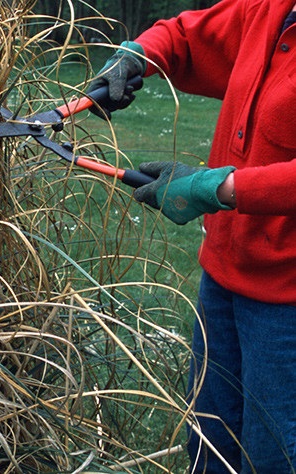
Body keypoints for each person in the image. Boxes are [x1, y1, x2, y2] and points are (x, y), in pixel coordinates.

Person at [88, 1, 296, 472]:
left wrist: (216, 188)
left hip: (286, 302)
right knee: (209, 443)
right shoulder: (270, 10)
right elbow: (187, 35)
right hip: (222, 278)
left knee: (275, 455)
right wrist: (137, 53)